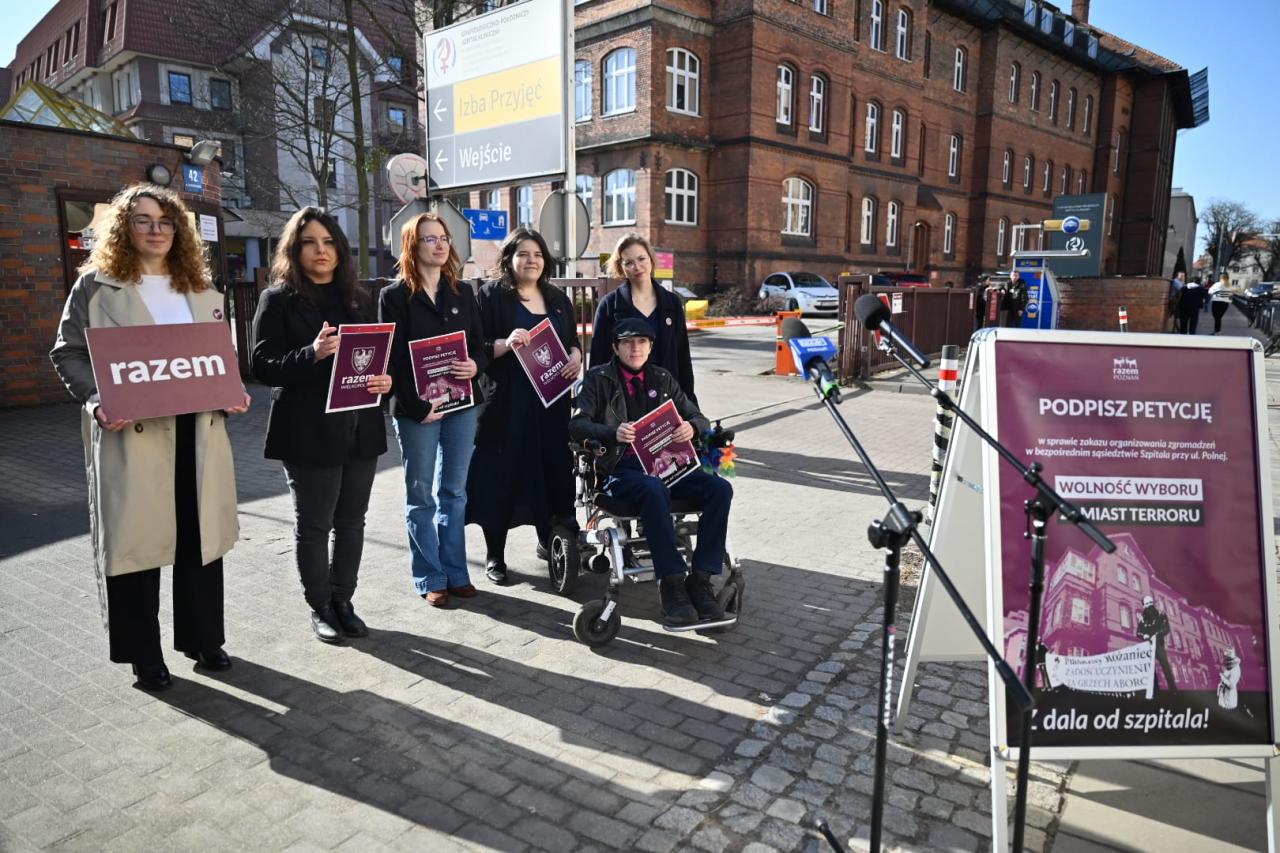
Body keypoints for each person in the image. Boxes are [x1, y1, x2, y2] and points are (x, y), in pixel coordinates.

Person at [50, 184, 250, 691]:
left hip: (197, 432)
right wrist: (96, 400)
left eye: (165, 220)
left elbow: (216, 361)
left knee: (198, 538)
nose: (156, 229)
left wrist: (233, 390)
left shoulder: (201, 288)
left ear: (179, 229)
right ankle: (144, 653)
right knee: (138, 546)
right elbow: (66, 353)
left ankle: (203, 639)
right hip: (134, 434)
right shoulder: (97, 286)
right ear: (124, 227)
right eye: (142, 220)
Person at [251, 207, 392, 644]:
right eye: (310, 242)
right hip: (308, 432)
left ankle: (344, 600)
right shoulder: (278, 299)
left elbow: (374, 356)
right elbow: (262, 366)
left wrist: (384, 382)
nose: (321, 250)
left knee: (352, 522)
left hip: (359, 428)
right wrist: (311, 354)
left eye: (329, 241)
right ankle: (319, 607)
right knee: (315, 526)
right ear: (295, 249)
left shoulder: (358, 298)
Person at [570, 318, 734, 627]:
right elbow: (577, 425)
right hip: (622, 468)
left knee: (720, 489)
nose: (635, 348)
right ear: (616, 347)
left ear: (651, 346)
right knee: (652, 489)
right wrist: (610, 432)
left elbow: (698, 416)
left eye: (642, 342)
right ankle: (672, 584)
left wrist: (692, 427)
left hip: (667, 465)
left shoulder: (663, 378)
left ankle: (700, 579)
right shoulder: (597, 379)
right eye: (628, 343)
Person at [379, 213, 488, 608]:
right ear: (412, 246)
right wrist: (416, 405)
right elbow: (388, 361)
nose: (439, 245)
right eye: (429, 239)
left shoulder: (463, 293)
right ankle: (429, 575)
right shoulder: (393, 297)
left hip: (461, 405)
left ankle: (456, 572)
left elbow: (478, 345)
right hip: (416, 410)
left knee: (454, 492)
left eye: (443, 238)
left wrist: (476, 365)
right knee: (421, 494)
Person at [467, 228, 583, 585]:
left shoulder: (557, 298)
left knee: (551, 472)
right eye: (523, 254)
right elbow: (476, 345)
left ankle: (551, 542)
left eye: (537, 254)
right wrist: (504, 343)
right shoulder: (490, 296)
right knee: (502, 476)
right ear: (509, 259)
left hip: (551, 406)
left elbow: (572, 341)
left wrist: (577, 355)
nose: (531, 260)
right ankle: (495, 556)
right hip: (506, 405)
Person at [592, 233, 696, 400]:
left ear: (651, 259)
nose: (637, 266)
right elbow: (598, 359)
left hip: (667, 397)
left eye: (642, 259)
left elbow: (682, 357)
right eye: (629, 262)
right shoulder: (609, 305)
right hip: (624, 401)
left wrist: (690, 405)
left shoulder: (672, 303)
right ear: (621, 267)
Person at [1136, 594, 1177, 692]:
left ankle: (1173, 689)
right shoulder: (1142, 618)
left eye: (1150, 603)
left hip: (1159, 645)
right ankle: (1155, 690)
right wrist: (1143, 635)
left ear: (1153, 603)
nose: (1149, 605)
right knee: (1150, 669)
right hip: (1148, 646)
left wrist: (1157, 635)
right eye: (1146, 604)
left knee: (1165, 666)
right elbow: (1138, 632)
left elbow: (1166, 628)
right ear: (1143, 606)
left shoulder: (1161, 614)